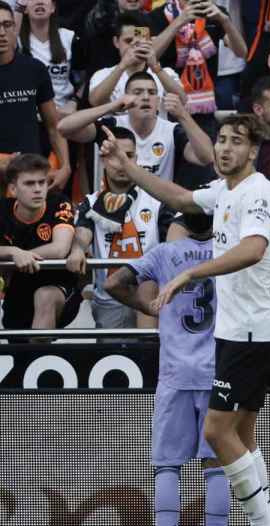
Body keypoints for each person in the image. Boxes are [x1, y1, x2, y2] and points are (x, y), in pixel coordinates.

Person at [97, 114, 270, 526]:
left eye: (236, 142)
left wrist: (190, 273)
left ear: (253, 151)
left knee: (218, 434)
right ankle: (267, 524)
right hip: (241, 331)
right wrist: (129, 165)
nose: (224, 149)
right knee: (244, 433)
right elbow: (179, 195)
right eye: (221, 140)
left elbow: (254, 249)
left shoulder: (257, 192)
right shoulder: (225, 190)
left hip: (251, 333)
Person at [103, 211, 230, 526]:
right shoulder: (229, 252)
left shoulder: (164, 253)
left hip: (175, 371)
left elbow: (113, 282)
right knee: (216, 463)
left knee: (167, 464)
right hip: (217, 370)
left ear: (182, 224)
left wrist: (146, 308)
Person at [65, 126, 168, 330]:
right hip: (110, 300)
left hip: (152, 294)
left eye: (128, 155)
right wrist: (77, 249)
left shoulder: (158, 199)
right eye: (114, 155)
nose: (121, 162)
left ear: (136, 159)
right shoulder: (91, 202)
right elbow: (83, 233)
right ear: (103, 159)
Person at [59, 72, 216, 185]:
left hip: (158, 212)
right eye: (138, 92)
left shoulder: (172, 131)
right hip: (116, 207)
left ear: (158, 100)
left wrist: (183, 115)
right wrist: (111, 106)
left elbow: (207, 156)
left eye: (152, 92)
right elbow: (64, 128)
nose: (146, 97)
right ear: (125, 97)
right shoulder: (112, 125)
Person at [0, 153, 79, 330]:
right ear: (13, 189)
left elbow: (60, 249)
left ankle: (39, 353)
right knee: (18, 347)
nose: (37, 189)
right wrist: (14, 253)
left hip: (58, 284)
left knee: (45, 296)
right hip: (18, 288)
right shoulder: (2, 209)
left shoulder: (59, 202)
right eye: (29, 183)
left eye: (42, 182)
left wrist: (23, 255)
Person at [0, 2, 69, 190]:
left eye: (7, 25)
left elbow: (54, 126)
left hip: (31, 174)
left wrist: (65, 166)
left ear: (15, 28)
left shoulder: (34, 69)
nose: (2, 32)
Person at [147, 0, 248, 116]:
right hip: (169, 97)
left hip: (205, 98)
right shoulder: (158, 15)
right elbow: (150, 55)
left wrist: (225, 21)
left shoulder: (213, 13)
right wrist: (180, 21)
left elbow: (241, 52)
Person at [88, 11, 187, 110]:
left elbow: (182, 100)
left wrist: (156, 68)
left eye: (139, 42)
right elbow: (95, 102)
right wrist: (123, 65)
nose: (134, 46)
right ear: (116, 42)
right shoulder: (103, 74)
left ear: (150, 41)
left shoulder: (165, 73)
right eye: (128, 41)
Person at [18, 0, 77, 118]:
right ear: (25, 8)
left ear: (53, 7)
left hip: (64, 115)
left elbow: (88, 76)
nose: (39, 2)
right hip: (28, 115)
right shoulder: (16, 43)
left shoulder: (69, 37)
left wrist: (74, 101)